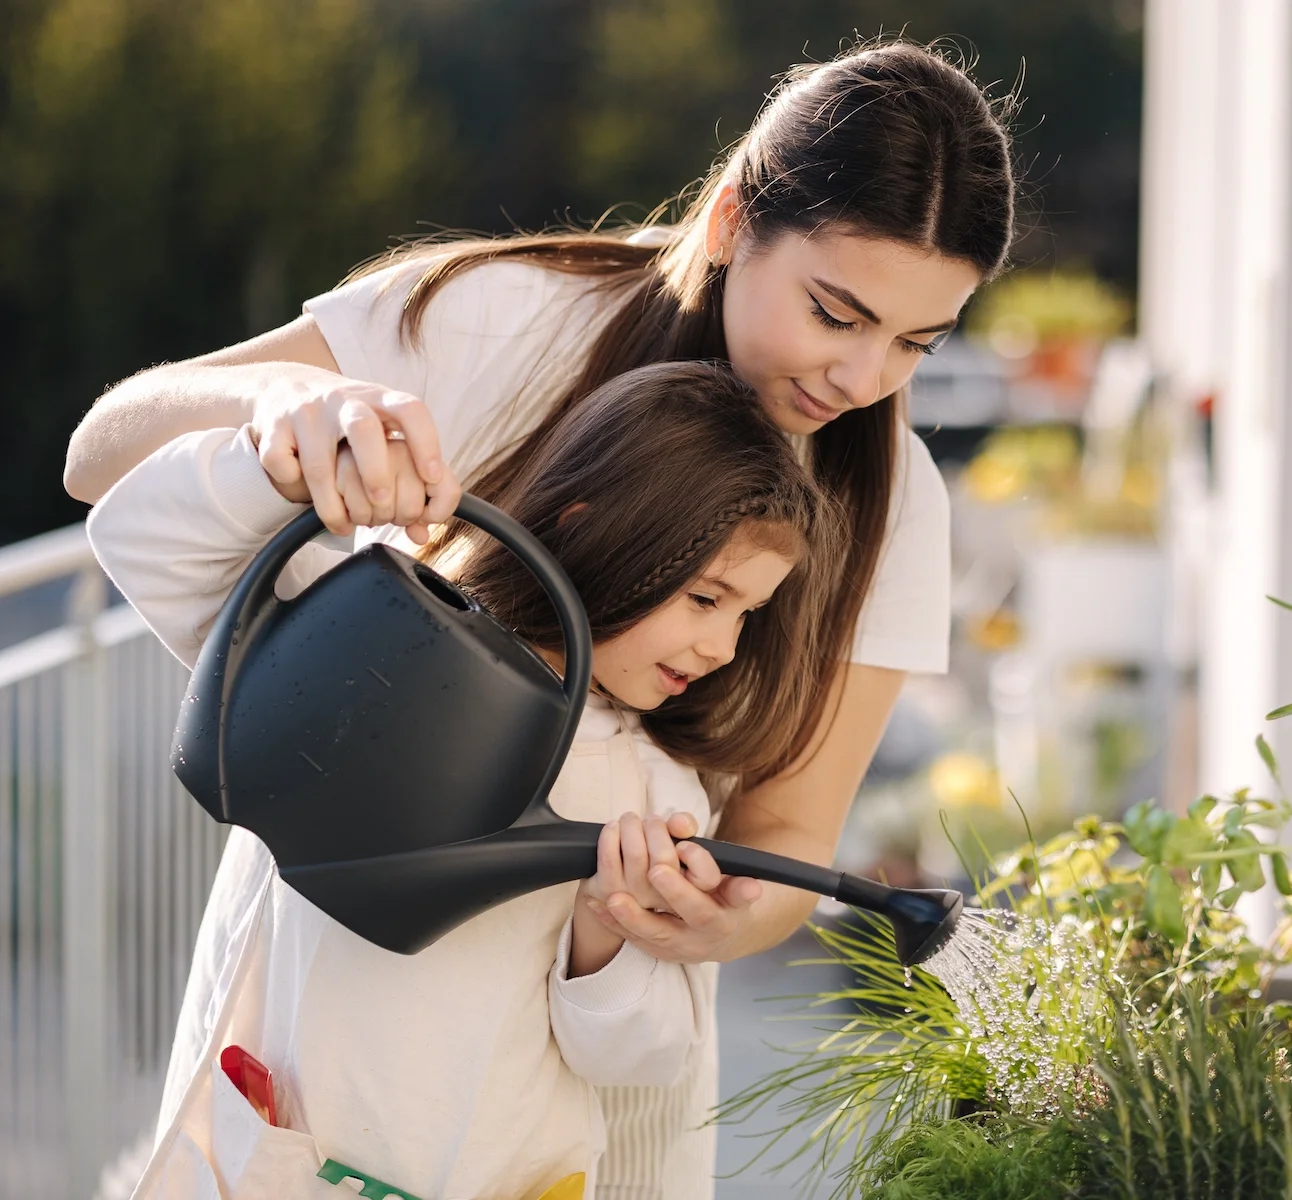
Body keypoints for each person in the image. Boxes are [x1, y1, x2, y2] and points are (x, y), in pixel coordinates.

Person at [66, 36, 1016, 1197]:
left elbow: (790, 837)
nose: (862, 379)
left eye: (916, 343)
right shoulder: (500, 319)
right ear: (729, 221)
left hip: (574, 1106)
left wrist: (692, 923)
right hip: (327, 1024)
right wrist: (291, 406)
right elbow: (99, 460)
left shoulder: (893, 505)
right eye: (836, 313)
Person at [89, 361, 841, 1199]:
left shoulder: (655, 789)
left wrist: (606, 937)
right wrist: (276, 455)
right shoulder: (378, 642)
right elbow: (136, 535)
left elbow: (643, 1058)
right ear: (601, 527)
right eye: (707, 599)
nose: (724, 648)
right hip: (277, 1156)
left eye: (748, 614)